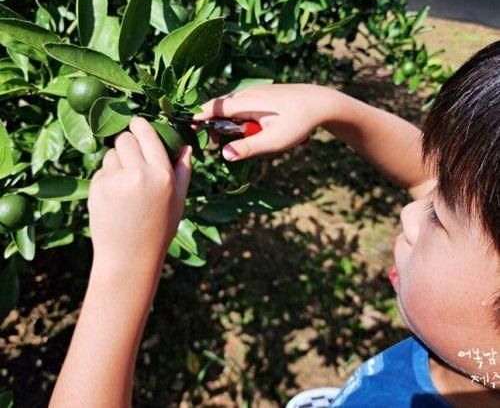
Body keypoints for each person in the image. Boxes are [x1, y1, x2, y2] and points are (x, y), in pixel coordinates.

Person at [49, 41, 500, 407]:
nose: (410, 213)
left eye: (439, 217)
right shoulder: (475, 359)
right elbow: (427, 175)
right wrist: (332, 107)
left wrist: (122, 271)